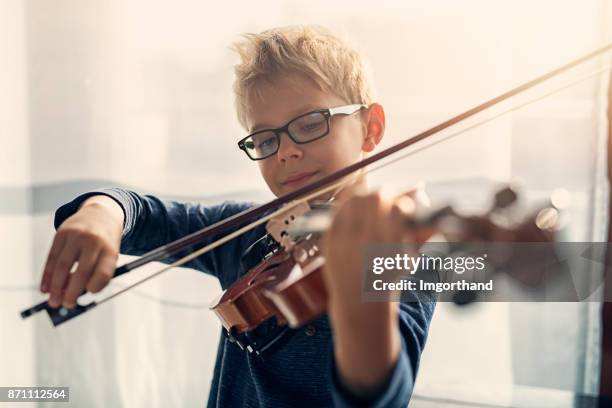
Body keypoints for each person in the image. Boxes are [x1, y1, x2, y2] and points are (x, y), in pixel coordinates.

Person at [39, 25, 436, 407]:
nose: (285, 152)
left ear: (372, 127)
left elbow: (382, 395)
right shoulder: (254, 234)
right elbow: (151, 217)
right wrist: (101, 212)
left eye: (311, 123)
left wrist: (360, 297)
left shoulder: (404, 250)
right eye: (265, 139)